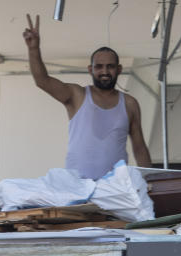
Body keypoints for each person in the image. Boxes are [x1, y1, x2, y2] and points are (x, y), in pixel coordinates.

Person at [23, 14, 152, 179]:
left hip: (116, 189)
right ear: (90, 70)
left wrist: (151, 182)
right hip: (78, 187)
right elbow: (42, 81)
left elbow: (139, 146)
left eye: (110, 67)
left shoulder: (129, 103)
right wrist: (33, 49)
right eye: (99, 67)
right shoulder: (77, 95)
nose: (104, 72)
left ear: (119, 69)